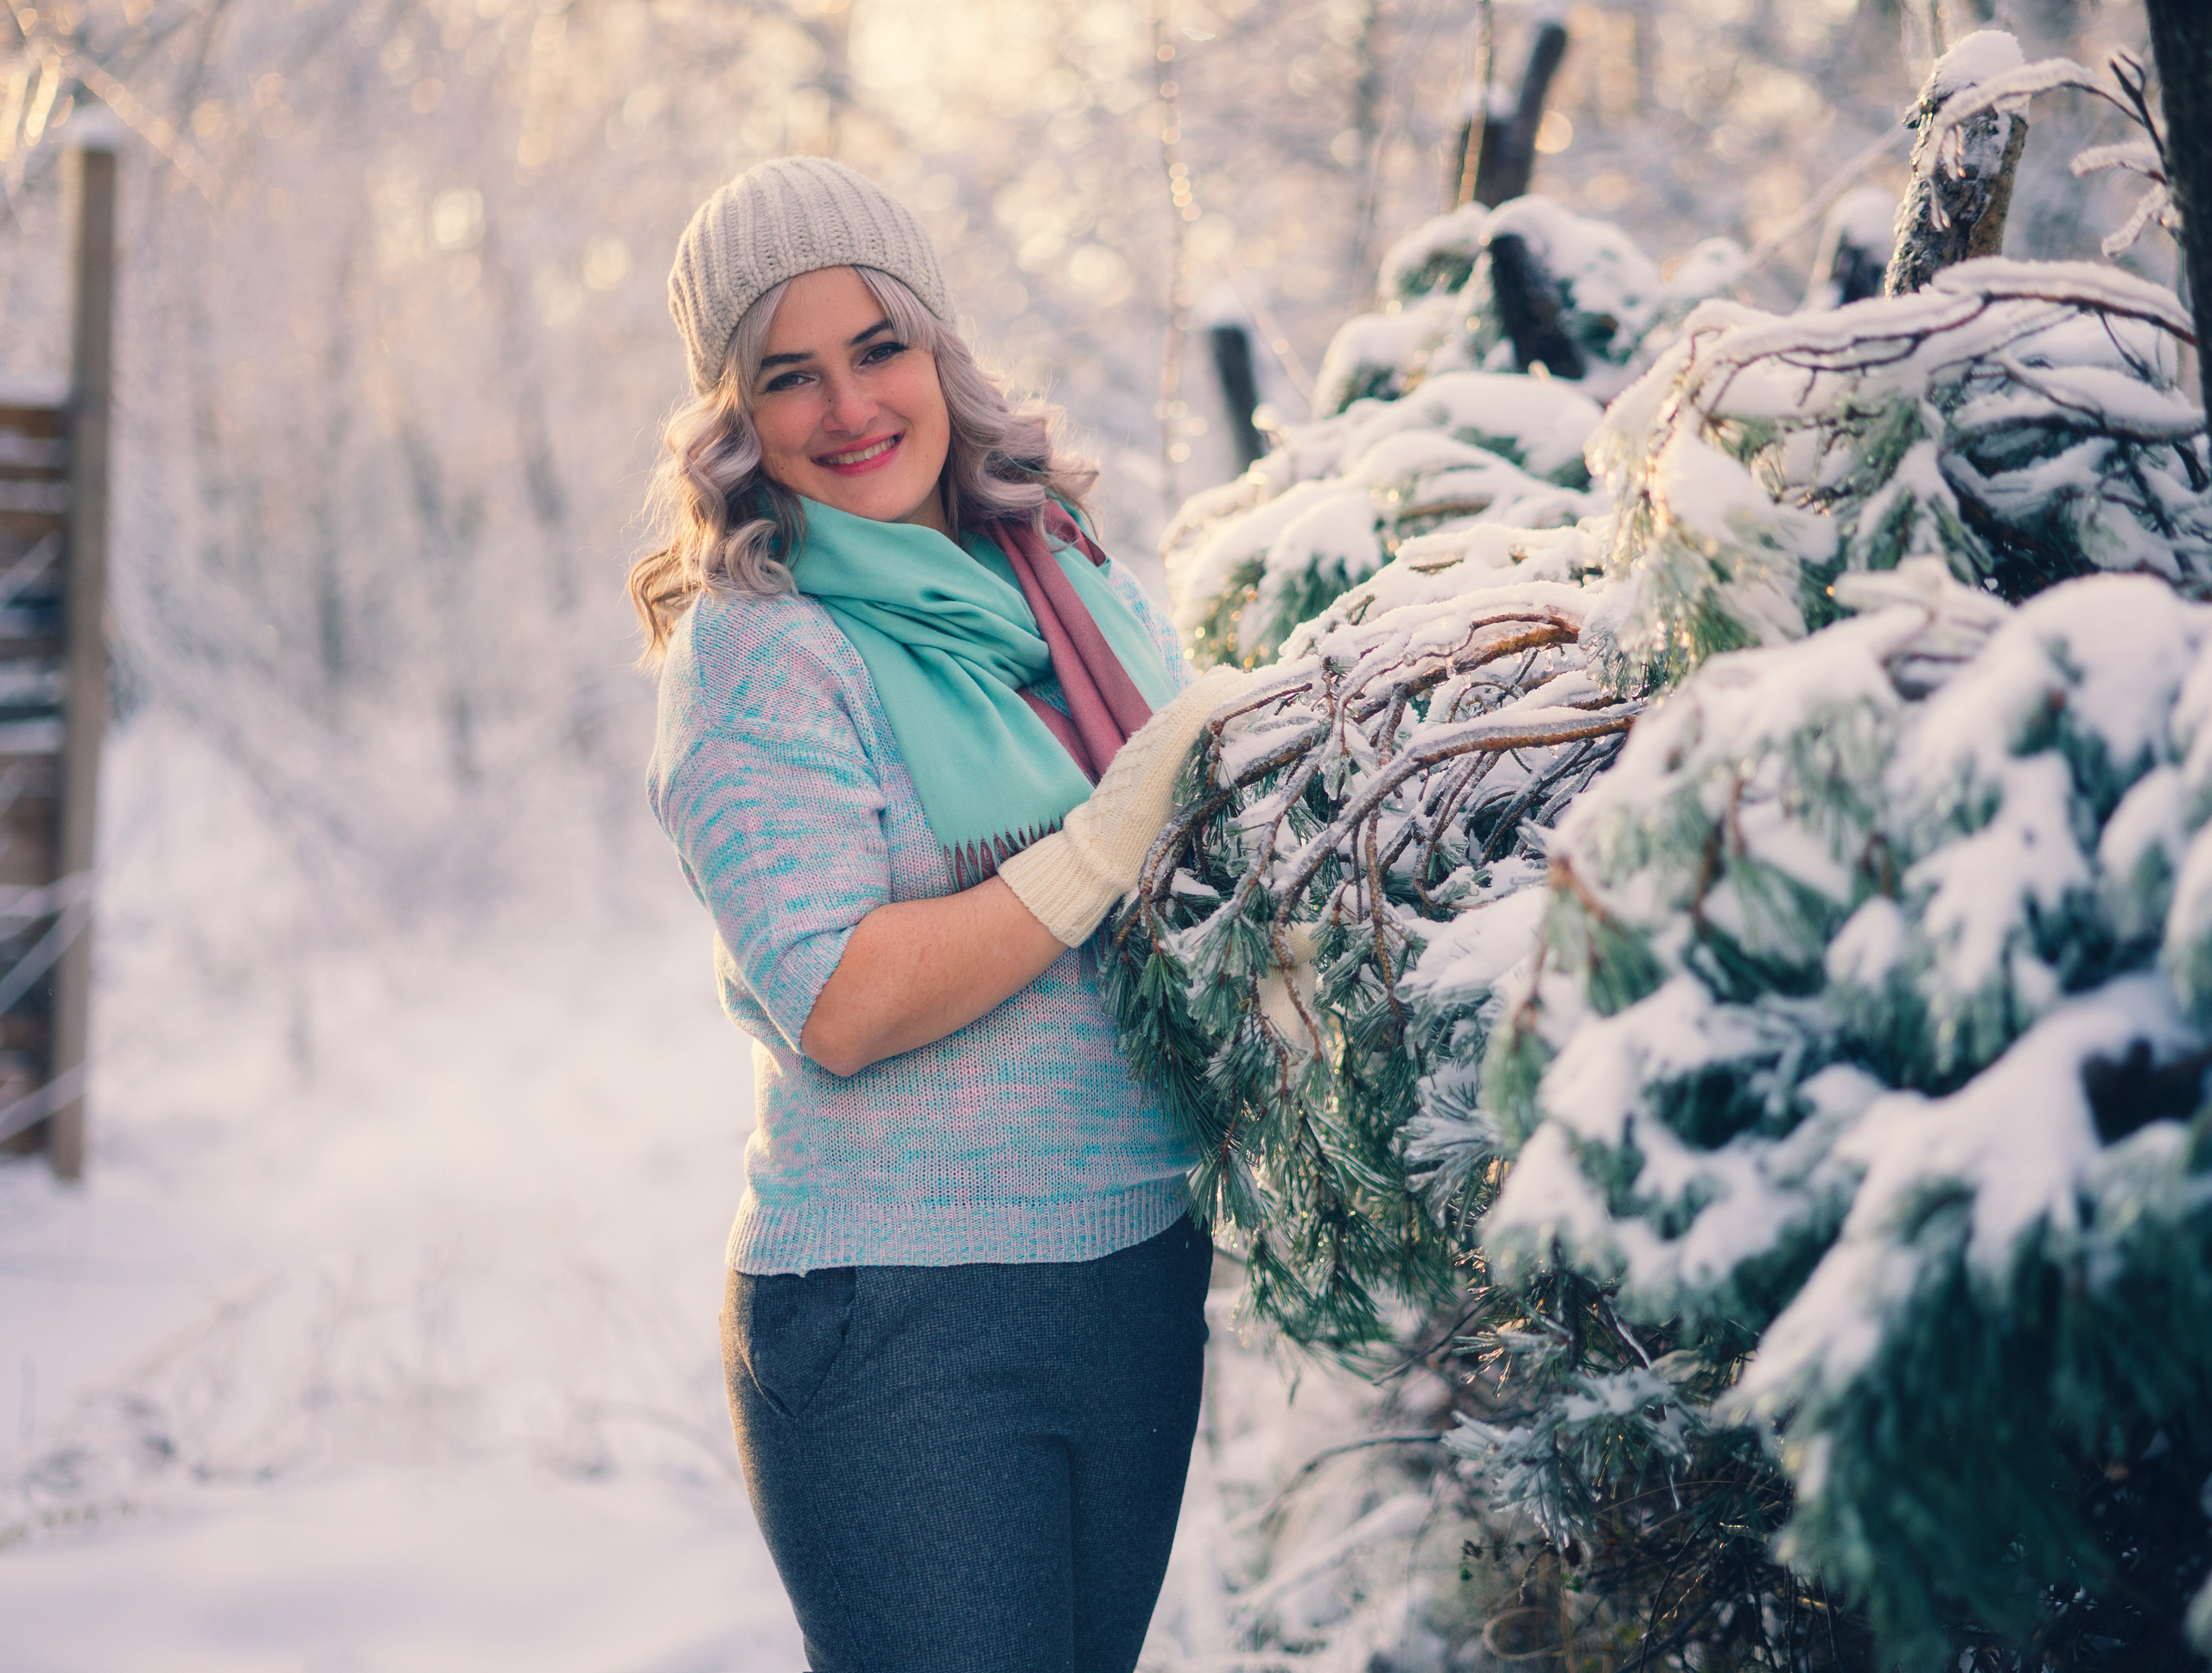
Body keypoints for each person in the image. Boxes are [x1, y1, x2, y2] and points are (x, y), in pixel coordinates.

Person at [629, 156, 1249, 1673]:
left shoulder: (1064, 572)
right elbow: (840, 997)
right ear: (740, 420)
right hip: (904, 1319)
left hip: (1132, 1271)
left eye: (878, 347)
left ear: (938, 349)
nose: (849, 407)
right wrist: (1097, 842)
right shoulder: (761, 650)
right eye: (791, 375)